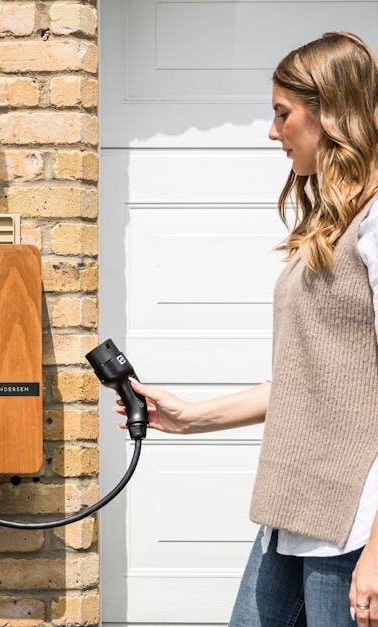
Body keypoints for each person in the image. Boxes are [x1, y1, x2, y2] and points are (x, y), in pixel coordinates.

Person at [114, 31, 378, 626]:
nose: (272, 131)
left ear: (331, 112)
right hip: (293, 509)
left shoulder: (375, 221)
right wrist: (189, 417)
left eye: (283, 114)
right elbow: (313, 386)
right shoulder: (330, 227)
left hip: (353, 527)